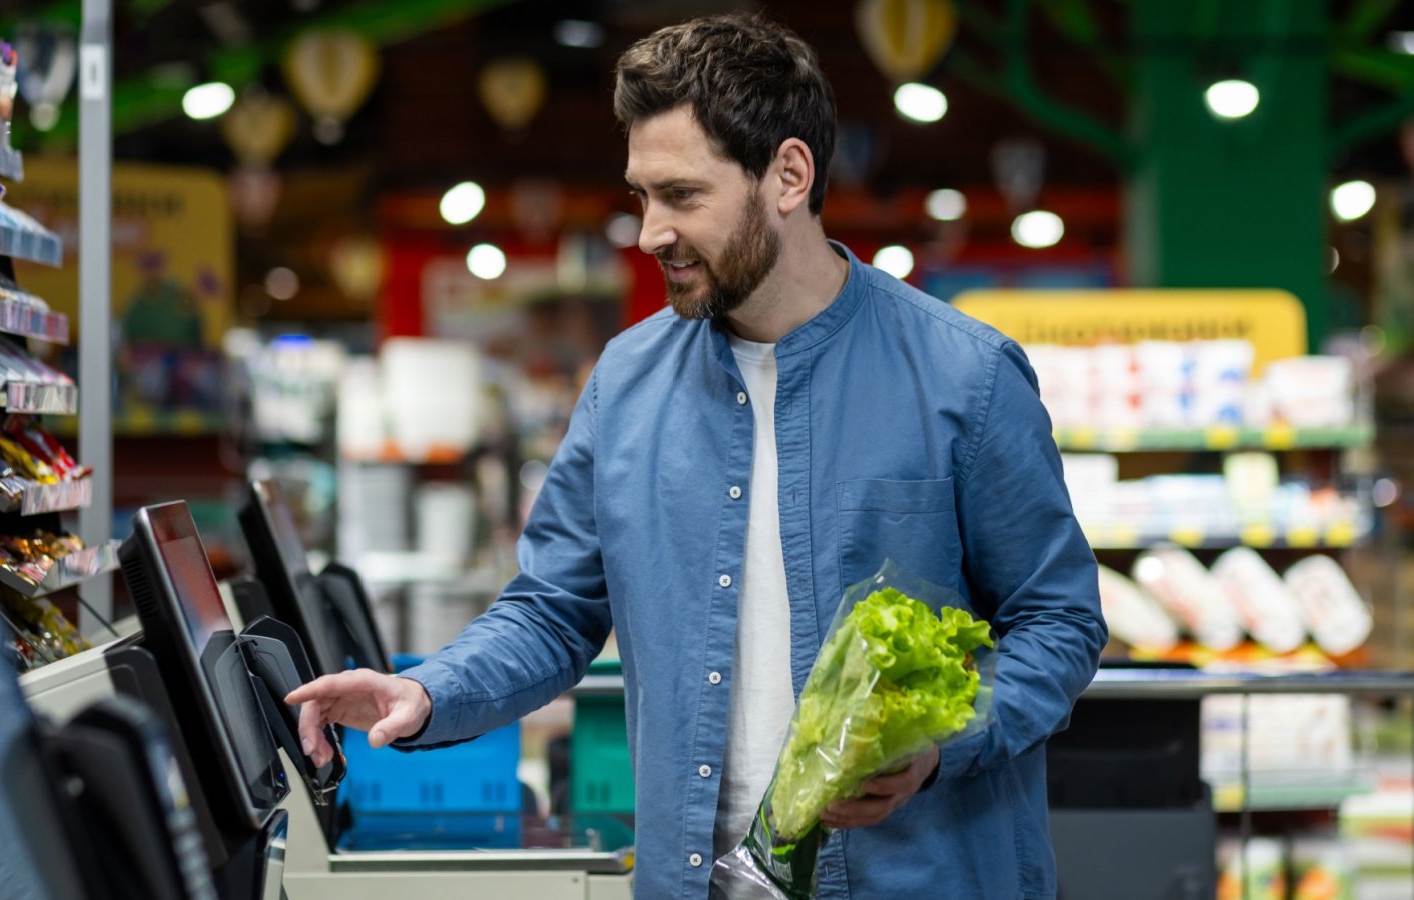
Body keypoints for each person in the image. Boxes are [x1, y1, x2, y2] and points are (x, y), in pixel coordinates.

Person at [288, 13, 1105, 898]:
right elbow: (554, 610)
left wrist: (945, 742)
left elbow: (1058, 622)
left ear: (788, 175)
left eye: (683, 196)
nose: (650, 233)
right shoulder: (627, 383)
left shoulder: (965, 377)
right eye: (643, 196)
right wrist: (432, 691)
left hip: (921, 875)